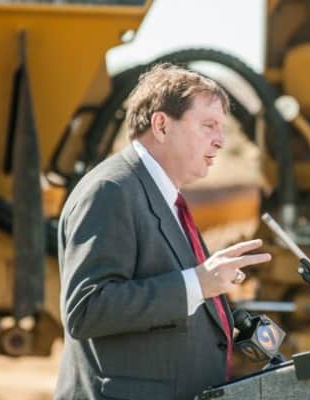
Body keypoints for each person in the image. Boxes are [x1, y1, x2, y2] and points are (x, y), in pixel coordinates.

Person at [54, 63, 271, 400]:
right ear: (161, 125)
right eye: (208, 126)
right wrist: (198, 283)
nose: (220, 140)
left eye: (221, 127)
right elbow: (87, 309)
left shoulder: (163, 196)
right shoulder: (110, 190)